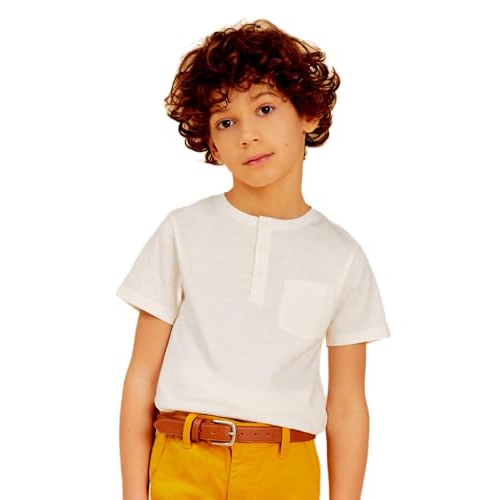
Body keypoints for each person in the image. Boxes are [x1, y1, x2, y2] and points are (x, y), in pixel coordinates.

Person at [116, 18, 391, 500]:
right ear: (212, 144)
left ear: (308, 114)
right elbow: (142, 375)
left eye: (265, 108)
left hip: (285, 472)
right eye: (226, 122)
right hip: (182, 463)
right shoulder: (182, 231)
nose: (247, 134)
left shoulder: (341, 256)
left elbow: (348, 406)